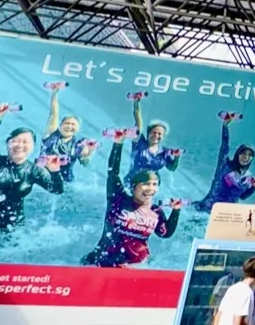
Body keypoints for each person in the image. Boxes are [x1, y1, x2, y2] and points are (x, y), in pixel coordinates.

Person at [80, 134, 183, 267]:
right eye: (146, 183)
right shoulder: (118, 199)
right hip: (104, 260)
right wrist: (118, 143)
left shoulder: (156, 211)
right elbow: (113, 173)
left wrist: (176, 211)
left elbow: (165, 233)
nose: (151, 188)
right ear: (134, 187)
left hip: (136, 266)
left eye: (154, 184)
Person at [0, 106, 64, 237]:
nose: (20, 145)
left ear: (33, 147)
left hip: (13, 229)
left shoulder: (34, 171)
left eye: (25, 142)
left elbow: (57, 190)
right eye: (15, 141)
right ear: (7, 144)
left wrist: (55, 171)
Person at [195, 111, 255, 211]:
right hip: (205, 210)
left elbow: (242, 197)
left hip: (225, 216)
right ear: (238, 154)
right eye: (243, 153)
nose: (246, 157)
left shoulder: (248, 177)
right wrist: (225, 126)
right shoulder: (225, 165)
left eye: (250, 155)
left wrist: (254, 187)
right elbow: (224, 146)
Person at [40, 82, 96, 183]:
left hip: (65, 183)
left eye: (73, 125)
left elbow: (85, 163)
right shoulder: (51, 135)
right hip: (42, 178)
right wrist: (54, 93)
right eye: (67, 123)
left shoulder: (79, 144)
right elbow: (54, 113)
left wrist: (91, 151)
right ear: (60, 125)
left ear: (78, 129)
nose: (69, 126)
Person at [128, 91, 181, 174]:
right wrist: (136, 102)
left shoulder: (164, 152)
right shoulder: (139, 142)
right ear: (148, 133)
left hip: (151, 184)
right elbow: (138, 123)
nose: (156, 135)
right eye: (154, 132)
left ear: (163, 136)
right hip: (133, 183)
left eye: (159, 134)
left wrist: (177, 157)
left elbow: (171, 168)